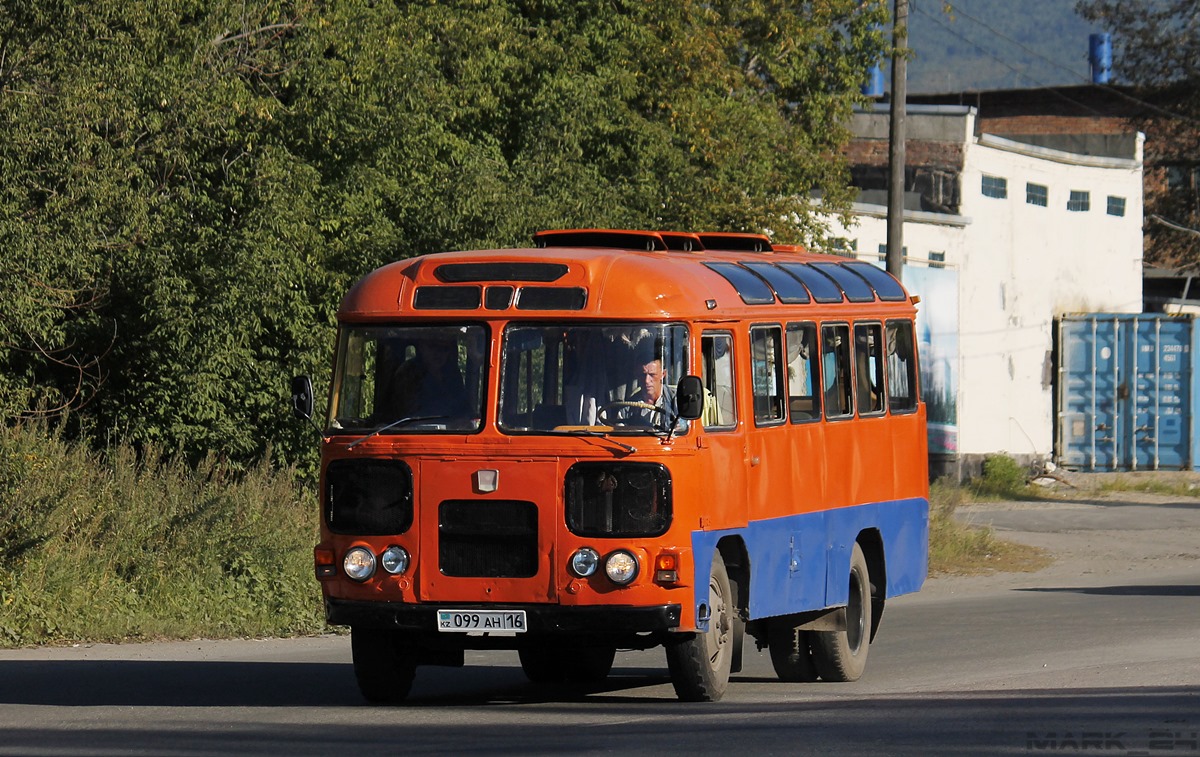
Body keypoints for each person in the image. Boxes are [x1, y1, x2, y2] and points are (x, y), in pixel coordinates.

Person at [386, 335, 470, 420]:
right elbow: (406, 412)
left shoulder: (452, 374)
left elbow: (463, 406)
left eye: (444, 349)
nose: (438, 353)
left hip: (453, 430)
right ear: (421, 347)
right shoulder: (408, 371)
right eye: (433, 346)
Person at [614, 344, 685, 432]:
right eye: (642, 375)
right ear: (636, 374)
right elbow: (621, 436)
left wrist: (680, 427)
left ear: (663, 374)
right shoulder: (627, 410)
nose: (647, 380)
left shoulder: (678, 400)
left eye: (652, 375)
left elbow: (685, 429)